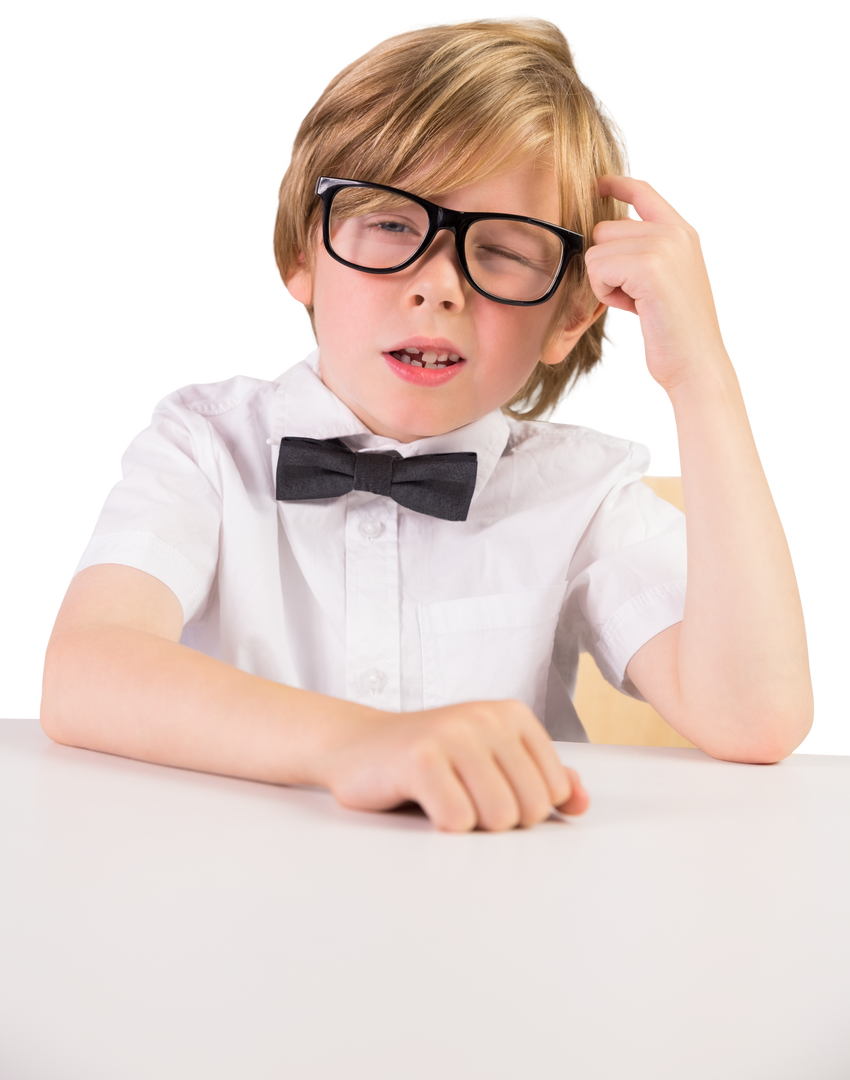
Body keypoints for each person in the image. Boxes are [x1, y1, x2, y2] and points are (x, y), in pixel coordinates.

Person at [38, 13, 815, 832]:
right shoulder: (201, 442)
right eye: (391, 223)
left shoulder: (582, 494)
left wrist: (702, 373)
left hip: (493, 917)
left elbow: (757, 717)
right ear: (301, 251)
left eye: (507, 251)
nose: (438, 285)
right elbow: (85, 671)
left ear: (568, 316)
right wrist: (359, 745)